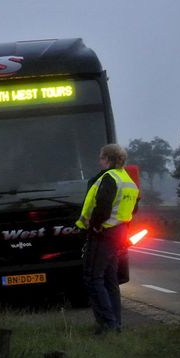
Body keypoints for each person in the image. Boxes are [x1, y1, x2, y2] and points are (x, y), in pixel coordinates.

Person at [76, 143, 140, 334]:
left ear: (108, 159)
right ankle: (116, 323)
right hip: (119, 234)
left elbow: (102, 206)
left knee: (93, 277)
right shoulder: (127, 180)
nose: (99, 160)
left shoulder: (109, 178)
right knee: (110, 279)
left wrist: (95, 225)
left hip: (103, 234)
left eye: (101, 157)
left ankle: (107, 324)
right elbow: (134, 208)